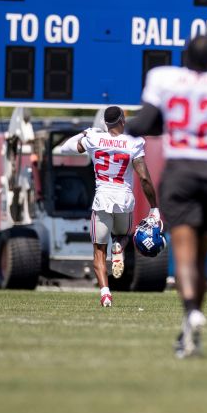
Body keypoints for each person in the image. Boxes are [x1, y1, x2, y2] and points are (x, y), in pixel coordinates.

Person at [126, 35, 207, 357]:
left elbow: (144, 122)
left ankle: (191, 310)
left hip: (181, 172)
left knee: (183, 253)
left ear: (185, 55)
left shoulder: (163, 77)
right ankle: (189, 334)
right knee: (200, 255)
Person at [64, 106, 159, 308]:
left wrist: (85, 132)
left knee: (99, 251)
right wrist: (154, 207)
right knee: (123, 235)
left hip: (102, 198)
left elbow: (67, 146)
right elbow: (144, 177)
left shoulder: (94, 138)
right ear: (123, 120)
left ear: (105, 123)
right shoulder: (134, 142)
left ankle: (105, 294)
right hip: (124, 198)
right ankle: (119, 248)